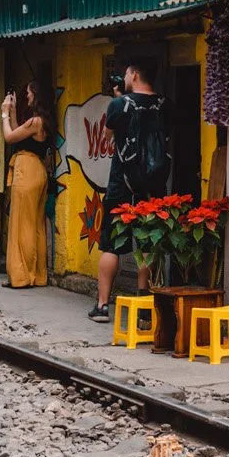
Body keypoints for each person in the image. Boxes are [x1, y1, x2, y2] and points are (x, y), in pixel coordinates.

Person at [91, 57, 171, 322]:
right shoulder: (164, 105)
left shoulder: (118, 105)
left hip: (121, 185)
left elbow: (108, 136)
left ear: (134, 74)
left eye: (126, 73)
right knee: (147, 244)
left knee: (111, 245)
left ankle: (103, 305)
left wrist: (117, 101)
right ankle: (144, 304)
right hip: (153, 187)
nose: (124, 78)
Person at [1, 80, 51, 288]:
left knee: (22, 225)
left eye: (29, 94)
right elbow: (18, 132)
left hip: (27, 171)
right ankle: (37, 275)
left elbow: (10, 137)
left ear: (36, 96)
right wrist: (12, 113)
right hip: (37, 170)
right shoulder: (42, 121)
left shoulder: (35, 122)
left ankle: (21, 276)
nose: (27, 97)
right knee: (36, 225)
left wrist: (4, 114)